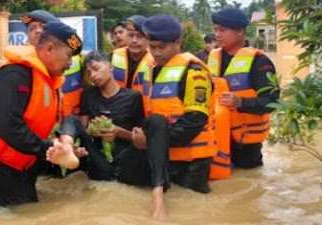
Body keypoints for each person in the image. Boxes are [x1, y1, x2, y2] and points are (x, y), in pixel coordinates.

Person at [0, 21, 82, 215]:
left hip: (16, 169)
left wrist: (61, 147)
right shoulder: (15, 74)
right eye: (68, 56)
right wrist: (49, 149)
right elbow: (9, 127)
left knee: (31, 212)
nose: (70, 63)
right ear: (49, 49)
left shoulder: (51, 84)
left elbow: (40, 127)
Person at [46, 51, 170, 219]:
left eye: (96, 69)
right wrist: (94, 129)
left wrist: (118, 131)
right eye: (89, 73)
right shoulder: (88, 95)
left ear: (110, 67)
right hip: (100, 162)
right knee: (70, 119)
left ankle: (158, 194)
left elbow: (138, 137)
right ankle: (67, 149)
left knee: (157, 120)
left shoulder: (132, 97)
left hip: (127, 162)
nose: (93, 75)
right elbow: (83, 129)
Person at [135, 14, 216, 219]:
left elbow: (194, 121)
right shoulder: (150, 69)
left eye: (162, 47)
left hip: (192, 163)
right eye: (152, 47)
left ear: (178, 42)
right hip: (166, 158)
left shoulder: (194, 73)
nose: (156, 52)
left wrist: (153, 142)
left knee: (194, 213)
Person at [207, 8, 279, 169]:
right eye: (216, 30)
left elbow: (273, 102)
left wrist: (241, 102)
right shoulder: (211, 58)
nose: (217, 34)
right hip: (216, 137)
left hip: (245, 146)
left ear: (240, 31)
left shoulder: (260, 62)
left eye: (222, 30)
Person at [110, 15, 153, 93]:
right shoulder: (112, 57)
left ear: (148, 38)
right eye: (131, 35)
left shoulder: (155, 63)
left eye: (139, 36)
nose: (134, 40)